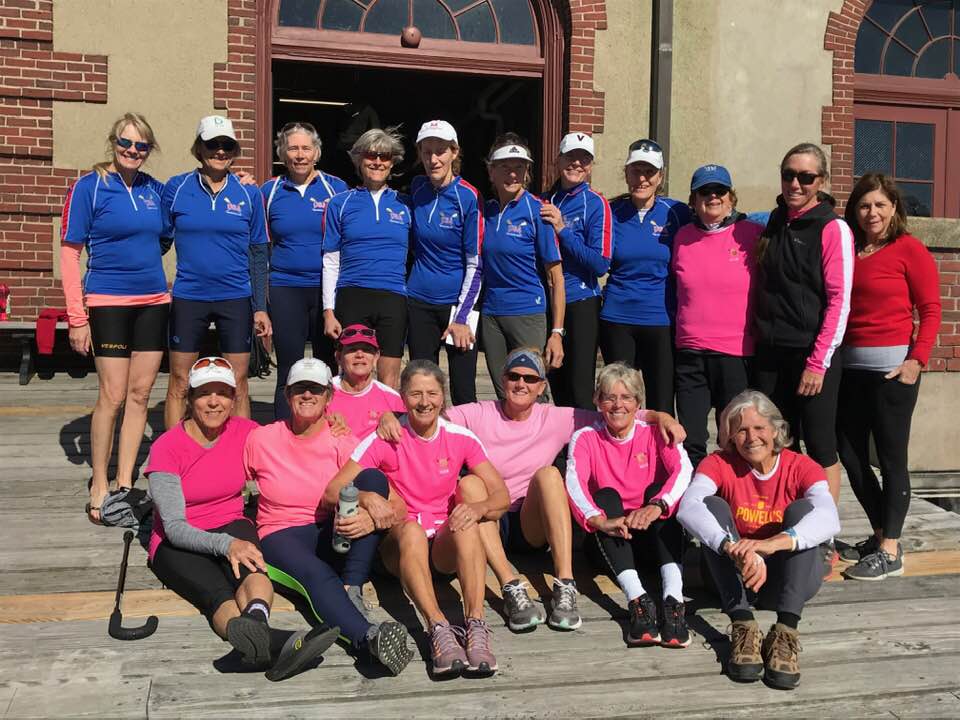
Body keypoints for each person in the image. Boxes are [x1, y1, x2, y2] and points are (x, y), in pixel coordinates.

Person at [377, 348, 686, 633]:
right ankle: (510, 585)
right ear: (503, 380)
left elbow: (615, 412)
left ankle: (564, 584)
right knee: (470, 484)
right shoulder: (477, 413)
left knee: (550, 476)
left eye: (530, 378)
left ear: (541, 387)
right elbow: (428, 412)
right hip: (490, 520)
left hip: (529, 520)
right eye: (514, 376)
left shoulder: (555, 417)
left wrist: (660, 416)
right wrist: (390, 413)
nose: (521, 383)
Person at [145, 357, 337, 681]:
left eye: (223, 393)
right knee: (216, 592)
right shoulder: (167, 448)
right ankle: (278, 643)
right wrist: (226, 545)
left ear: (234, 399)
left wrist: (332, 421)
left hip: (231, 520)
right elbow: (175, 527)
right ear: (189, 398)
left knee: (253, 567)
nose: (214, 401)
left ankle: (256, 633)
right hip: (178, 540)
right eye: (205, 393)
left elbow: (295, 439)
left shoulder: (247, 432)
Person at [331, 360, 509, 677]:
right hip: (398, 546)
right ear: (403, 397)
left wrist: (478, 509)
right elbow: (332, 491)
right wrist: (367, 496)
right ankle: (437, 626)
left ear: (442, 397)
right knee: (412, 530)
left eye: (432, 393)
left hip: (441, 548)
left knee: (466, 521)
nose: (424, 402)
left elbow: (500, 496)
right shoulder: (385, 438)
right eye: (415, 394)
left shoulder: (460, 437)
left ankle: (476, 624)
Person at [243, 357, 414, 675]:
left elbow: (398, 504)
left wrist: (371, 514)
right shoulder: (261, 439)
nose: (307, 396)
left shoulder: (342, 439)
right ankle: (369, 638)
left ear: (328, 397)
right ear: (287, 394)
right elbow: (229, 483)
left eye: (315, 390)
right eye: (300, 389)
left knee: (372, 480)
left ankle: (353, 585)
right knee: (316, 574)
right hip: (282, 533)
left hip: (332, 529)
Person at [677, 390, 840, 690]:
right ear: (730, 436)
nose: (751, 437)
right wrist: (732, 547)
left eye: (759, 428)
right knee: (712, 507)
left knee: (805, 510)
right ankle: (743, 626)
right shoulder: (720, 463)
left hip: (788, 580)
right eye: (741, 430)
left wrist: (770, 544)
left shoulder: (801, 466)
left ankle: (785, 632)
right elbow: (689, 506)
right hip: (735, 577)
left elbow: (830, 518)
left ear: (776, 429)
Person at [60, 112, 169, 523]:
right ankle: (100, 482)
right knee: (113, 396)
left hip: (154, 302)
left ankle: (124, 482)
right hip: (107, 303)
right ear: (113, 142)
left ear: (149, 150)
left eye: (141, 146)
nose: (132, 151)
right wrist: (77, 317)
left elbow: (168, 232)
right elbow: (71, 252)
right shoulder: (91, 187)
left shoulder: (155, 191)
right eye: (125, 143)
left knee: (140, 395)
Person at [836, 173, 942, 580]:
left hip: (893, 371)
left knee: (892, 458)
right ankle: (881, 534)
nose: (872, 212)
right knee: (849, 453)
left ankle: (892, 550)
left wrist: (917, 360)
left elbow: (931, 309)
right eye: (865, 205)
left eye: (880, 204)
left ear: (894, 208)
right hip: (850, 370)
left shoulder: (908, 250)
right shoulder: (850, 249)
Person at [753, 142, 853, 511]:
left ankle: (822, 534)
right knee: (779, 441)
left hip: (812, 356)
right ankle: (786, 520)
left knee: (820, 443)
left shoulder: (832, 228)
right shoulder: (774, 222)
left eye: (806, 177)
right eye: (789, 175)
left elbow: (839, 300)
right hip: (770, 353)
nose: (795, 184)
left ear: (821, 181)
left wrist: (818, 362)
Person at [565, 363, 694, 648]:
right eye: (609, 397)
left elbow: (684, 471)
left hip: (653, 536)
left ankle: (673, 601)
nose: (617, 405)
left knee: (661, 494)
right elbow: (574, 483)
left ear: (638, 403)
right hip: (612, 539)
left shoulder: (655, 431)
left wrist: (657, 505)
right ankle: (638, 601)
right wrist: (598, 520)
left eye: (626, 397)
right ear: (597, 401)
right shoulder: (585, 438)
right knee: (605, 497)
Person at [162, 115, 272, 428]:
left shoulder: (249, 193)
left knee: (237, 382)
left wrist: (261, 308)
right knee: (181, 381)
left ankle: (239, 458)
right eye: (212, 144)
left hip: (235, 297)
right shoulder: (177, 188)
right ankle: (174, 456)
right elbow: (156, 240)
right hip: (189, 296)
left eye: (227, 145)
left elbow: (259, 252)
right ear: (199, 148)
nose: (220, 151)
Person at [673, 164, 762, 471]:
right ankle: (695, 508)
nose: (713, 197)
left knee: (735, 437)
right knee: (692, 438)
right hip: (690, 352)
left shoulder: (751, 233)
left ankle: (734, 503)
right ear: (693, 200)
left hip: (734, 353)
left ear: (731, 198)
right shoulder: (681, 237)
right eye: (704, 192)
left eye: (719, 191)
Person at [261, 122, 348, 420]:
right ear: (283, 153)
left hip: (326, 292)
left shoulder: (336, 189)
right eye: (293, 148)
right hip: (286, 288)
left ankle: (328, 430)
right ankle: (284, 430)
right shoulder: (269, 191)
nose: (300, 155)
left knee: (328, 364)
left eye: (306, 148)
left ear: (317, 153)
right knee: (288, 366)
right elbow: (260, 244)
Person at [599, 139, 691, 413]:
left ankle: (662, 456)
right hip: (617, 318)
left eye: (649, 172)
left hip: (660, 319)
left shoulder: (676, 213)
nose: (642, 179)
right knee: (618, 400)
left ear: (660, 176)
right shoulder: (610, 211)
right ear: (626, 173)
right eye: (636, 171)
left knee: (662, 401)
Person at [322, 127, 410, 389]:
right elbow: (330, 260)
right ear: (359, 159)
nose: (378, 162)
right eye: (371, 155)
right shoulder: (340, 203)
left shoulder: (407, 204)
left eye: (385, 157)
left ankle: (389, 428)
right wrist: (329, 311)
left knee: (389, 377)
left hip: (393, 295)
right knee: (352, 374)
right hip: (353, 294)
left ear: (392, 162)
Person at [480, 132, 565, 399]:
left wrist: (557, 332)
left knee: (531, 392)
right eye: (505, 167)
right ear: (491, 172)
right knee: (504, 393)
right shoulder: (486, 211)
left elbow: (555, 279)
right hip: (492, 313)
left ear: (527, 172)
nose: (512, 174)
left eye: (519, 167)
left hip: (527, 313)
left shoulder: (537, 211)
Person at [407, 119, 484, 405]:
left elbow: (475, 264)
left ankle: (465, 448)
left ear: (454, 153)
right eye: (427, 152)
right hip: (419, 301)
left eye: (440, 151)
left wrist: (462, 317)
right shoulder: (416, 188)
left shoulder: (469, 196)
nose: (433, 159)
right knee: (421, 385)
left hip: (456, 306)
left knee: (463, 389)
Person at [540, 132, 613, 409]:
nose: (577, 164)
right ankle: (560, 449)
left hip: (581, 301)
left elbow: (600, 263)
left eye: (584, 159)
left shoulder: (596, 203)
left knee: (580, 387)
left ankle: (582, 448)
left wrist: (562, 229)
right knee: (553, 382)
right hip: (546, 302)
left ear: (591, 165)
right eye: (570, 157)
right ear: (558, 160)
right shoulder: (543, 200)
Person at [325, 324, 405, 438]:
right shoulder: (322, 392)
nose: (360, 355)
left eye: (367, 350)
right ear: (338, 357)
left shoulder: (392, 399)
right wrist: (323, 422)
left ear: (376, 357)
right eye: (352, 350)